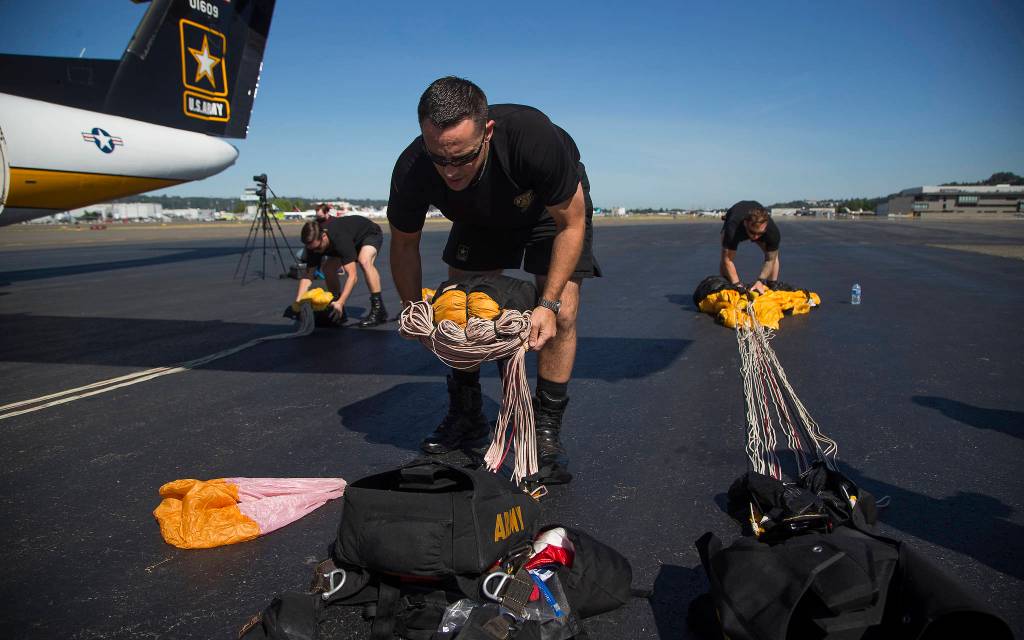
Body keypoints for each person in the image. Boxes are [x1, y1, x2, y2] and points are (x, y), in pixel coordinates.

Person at [387, 76, 601, 484]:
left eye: (462, 157)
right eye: (439, 157)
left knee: (565, 314)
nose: (450, 171)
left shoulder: (532, 138)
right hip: (479, 215)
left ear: (487, 133)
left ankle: (545, 430)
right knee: (458, 309)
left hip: (546, 211)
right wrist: (411, 304)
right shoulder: (414, 166)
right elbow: (402, 244)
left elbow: (570, 224)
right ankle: (467, 414)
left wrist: (548, 304)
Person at [297, 216, 388, 327]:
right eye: (312, 249)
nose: (316, 251)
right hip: (350, 240)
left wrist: (341, 302)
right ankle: (337, 311)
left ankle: (379, 309)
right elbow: (308, 275)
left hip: (369, 234)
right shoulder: (313, 246)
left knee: (364, 260)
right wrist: (299, 303)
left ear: (324, 237)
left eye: (318, 247)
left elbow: (352, 276)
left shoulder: (340, 239)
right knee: (328, 268)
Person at [720, 200, 781, 294]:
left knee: (773, 255)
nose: (755, 237)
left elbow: (770, 260)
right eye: (752, 232)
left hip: (757, 226)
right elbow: (728, 260)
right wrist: (737, 285)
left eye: (759, 233)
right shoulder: (732, 229)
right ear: (745, 223)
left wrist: (760, 281)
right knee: (725, 256)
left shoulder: (772, 232)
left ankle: (772, 284)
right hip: (734, 219)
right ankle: (726, 285)